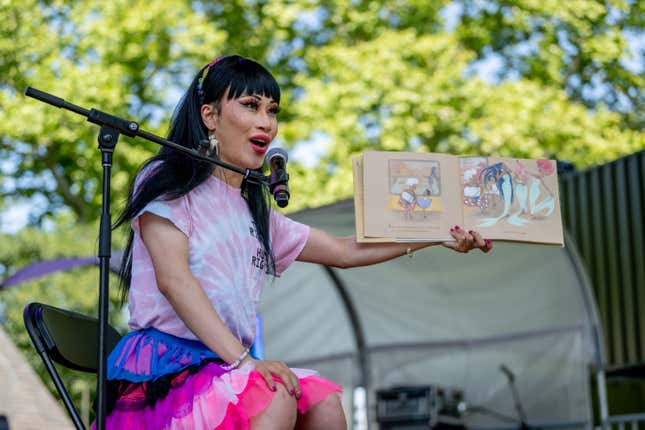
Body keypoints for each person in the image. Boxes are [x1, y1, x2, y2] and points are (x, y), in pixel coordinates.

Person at [103, 55, 493, 430]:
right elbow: (175, 280)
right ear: (209, 116)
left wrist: (436, 234)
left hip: (222, 366)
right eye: (251, 105)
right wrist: (244, 362)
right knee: (275, 395)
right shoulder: (167, 177)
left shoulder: (253, 211)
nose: (266, 123)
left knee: (323, 404)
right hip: (169, 368)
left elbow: (345, 251)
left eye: (272, 111)